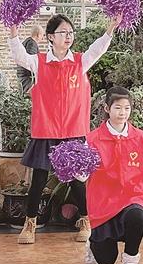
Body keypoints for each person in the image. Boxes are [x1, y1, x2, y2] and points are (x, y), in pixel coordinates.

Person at [8, 13, 119, 245]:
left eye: (70, 32)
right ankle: (30, 224)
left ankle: (85, 220)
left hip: (72, 132)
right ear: (50, 37)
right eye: (63, 32)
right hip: (45, 131)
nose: (68, 36)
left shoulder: (80, 62)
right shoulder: (38, 62)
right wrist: (14, 30)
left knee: (76, 180)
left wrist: (111, 27)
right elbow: (19, 56)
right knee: (39, 180)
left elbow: (98, 49)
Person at [83, 87, 143, 264]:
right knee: (106, 260)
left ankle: (130, 261)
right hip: (103, 203)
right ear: (107, 108)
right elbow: (83, 175)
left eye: (127, 108)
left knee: (137, 216)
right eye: (117, 108)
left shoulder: (141, 137)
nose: (122, 113)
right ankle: (93, 243)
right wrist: (72, 169)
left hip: (133, 196)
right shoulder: (92, 139)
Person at [17, 25, 44, 93]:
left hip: (23, 79)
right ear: (38, 35)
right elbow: (31, 63)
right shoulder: (32, 44)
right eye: (42, 35)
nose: (42, 38)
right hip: (28, 81)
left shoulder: (26, 42)